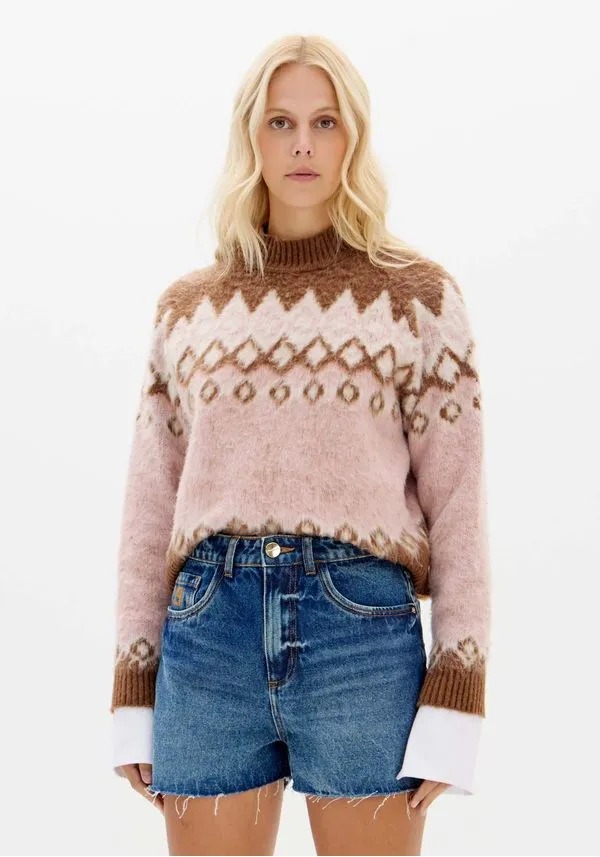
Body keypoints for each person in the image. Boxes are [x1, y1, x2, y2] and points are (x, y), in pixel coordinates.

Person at [110, 33, 491, 856]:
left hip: (363, 631)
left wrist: (458, 687)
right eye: (281, 122)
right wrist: (132, 684)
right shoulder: (187, 310)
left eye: (325, 122)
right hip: (208, 633)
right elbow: (149, 507)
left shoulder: (419, 300)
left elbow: (459, 504)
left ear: (354, 135)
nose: (304, 145)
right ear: (251, 136)